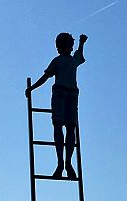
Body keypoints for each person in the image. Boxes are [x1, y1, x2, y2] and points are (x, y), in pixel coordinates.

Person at [26, 32, 87, 179]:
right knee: (60, 128)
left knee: (70, 129)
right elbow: (46, 76)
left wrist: (82, 43)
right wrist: (32, 88)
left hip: (70, 95)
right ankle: (61, 163)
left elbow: (79, 54)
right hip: (62, 95)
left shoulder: (71, 60)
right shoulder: (59, 61)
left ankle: (67, 163)